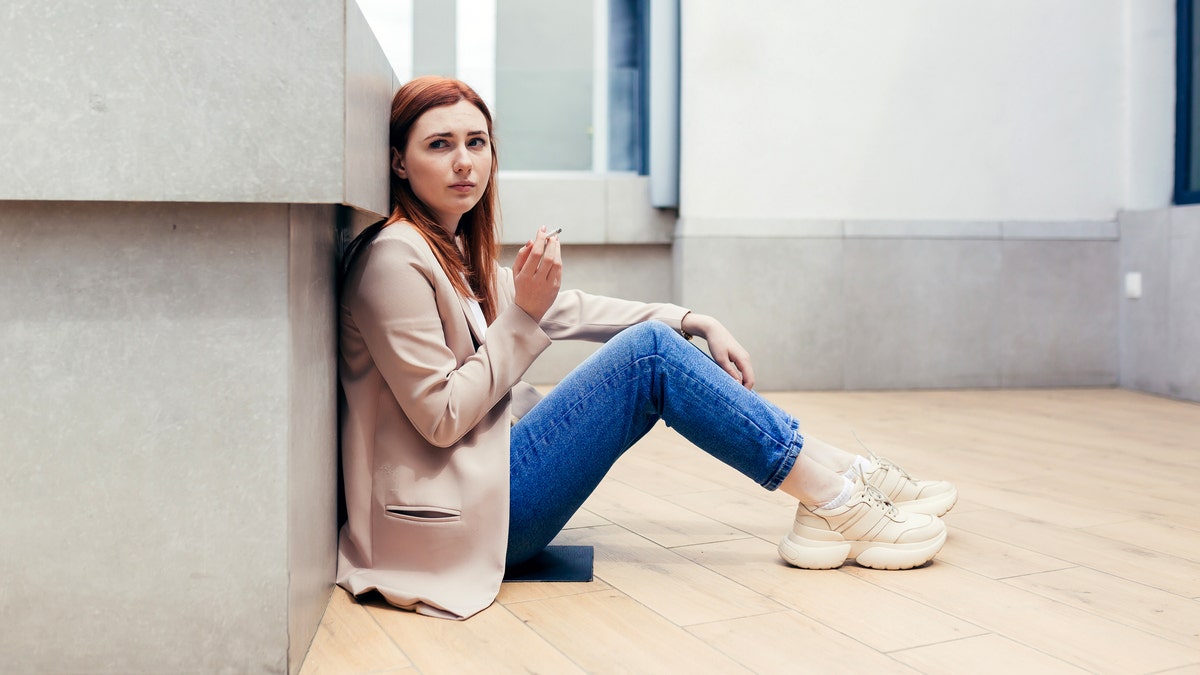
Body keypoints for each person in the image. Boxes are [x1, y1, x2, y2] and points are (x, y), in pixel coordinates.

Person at [336, 76, 957, 620]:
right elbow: (441, 418)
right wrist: (524, 314)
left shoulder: (450, 249)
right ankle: (837, 502)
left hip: (486, 488)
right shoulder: (396, 258)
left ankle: (845, 477)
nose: (464, 163)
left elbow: (571, 309)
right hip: (457, 519)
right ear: (398, 162)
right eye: (439, 146)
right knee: (649, 356)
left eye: (476, 143)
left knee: (657, 343)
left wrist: (691, 317)